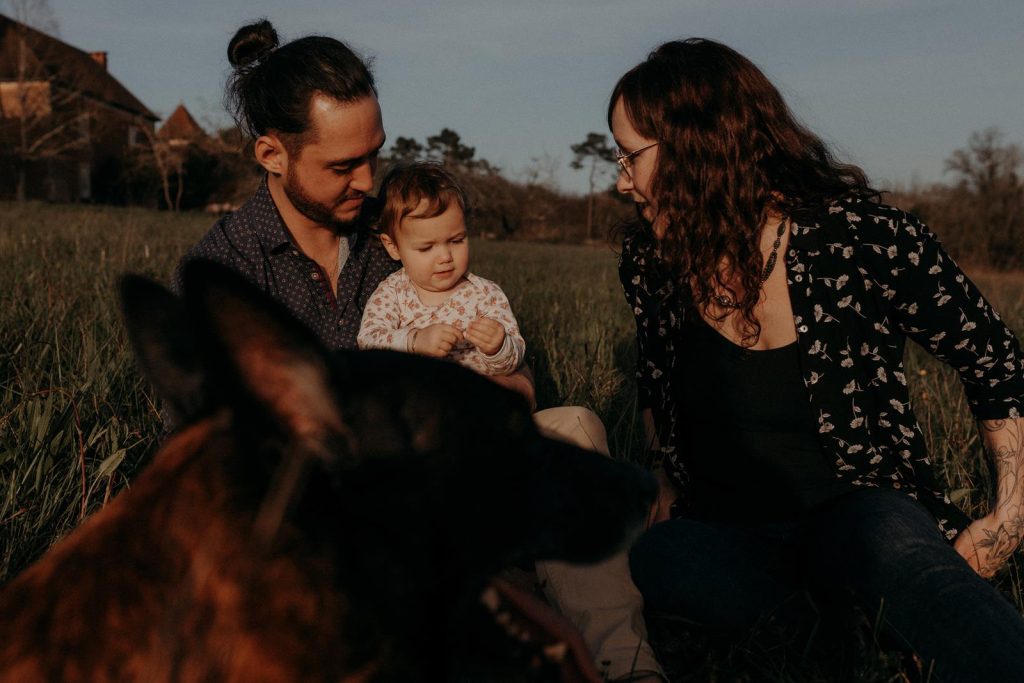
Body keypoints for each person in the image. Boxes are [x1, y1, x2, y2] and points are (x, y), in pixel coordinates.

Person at [176, 19, 664, 682]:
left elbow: (505, 361)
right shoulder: (224, 270)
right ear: (272, 155)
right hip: (339, 517)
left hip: (456, 460)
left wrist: (510, 385)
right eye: (343, 165)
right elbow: (226, 458)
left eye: (374, 154)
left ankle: (626, 663)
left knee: (574, 427)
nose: (366, 180)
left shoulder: (395, 229)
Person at [610, 37, 1024, 681]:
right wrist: (662, 471)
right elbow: (654, 378)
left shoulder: (860, 237)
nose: (620, 179)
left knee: (892, 550)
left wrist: (1009, 517)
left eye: (631, 155)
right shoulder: (651, 260)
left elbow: (996, 362)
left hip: (861, 518)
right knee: (659, 559)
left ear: (700, 146)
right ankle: (860, 633)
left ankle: (923, 621)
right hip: (733, 536)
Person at [357, 163, 525, 377]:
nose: (445, 257)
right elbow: (368, 342)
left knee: (577, 412)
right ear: (393, 247)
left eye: (456, 241)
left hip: (479, 402)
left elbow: (512, 363)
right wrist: (414, 341)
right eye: (426, 247)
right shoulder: (392, 293)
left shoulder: (485, 294)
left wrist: (498, 347)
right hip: (417, 404)